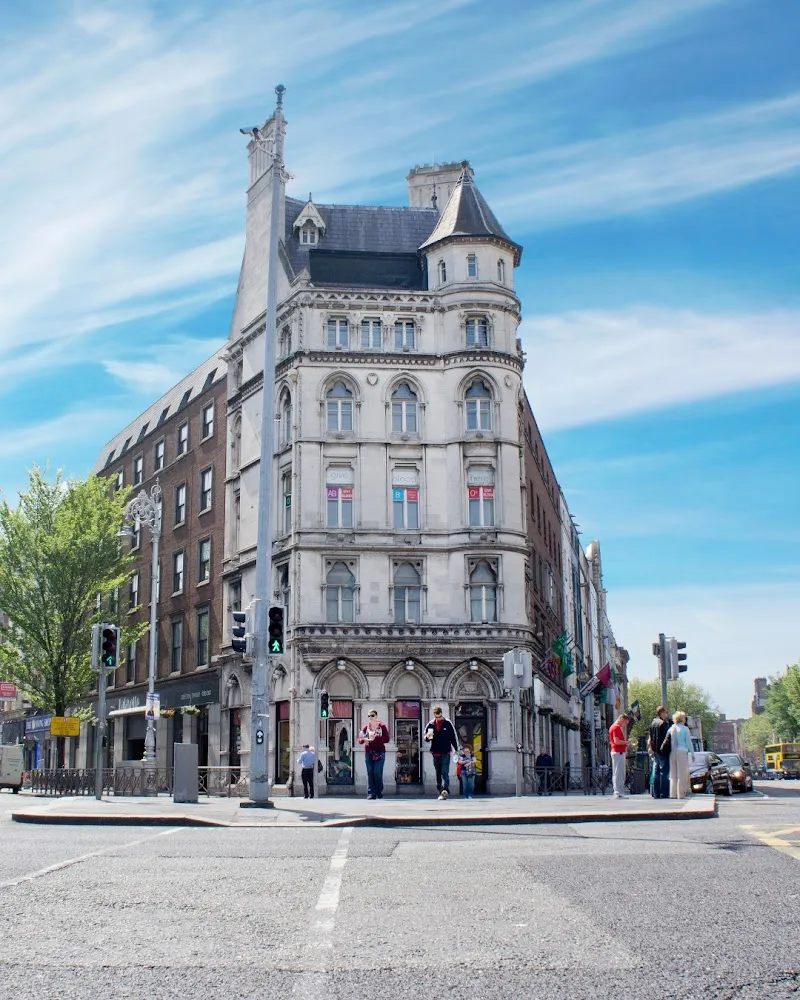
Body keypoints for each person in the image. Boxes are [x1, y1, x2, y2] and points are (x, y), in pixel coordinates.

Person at [424, 705, 459, 800]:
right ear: (434, 715)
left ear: (441, 714)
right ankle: (440, 789)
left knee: (445, 771)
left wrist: (457, 749)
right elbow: (425, 738)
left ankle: (445, 790)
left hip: (446, 751)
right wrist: (427, 736)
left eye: (439, 716)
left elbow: (453, 737)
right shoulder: (431, 724)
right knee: (438, 772)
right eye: (436, 717)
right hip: (435, 751)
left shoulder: (447, 723)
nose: (438, 718)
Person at [358, 709, 389, 800]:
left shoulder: (382, 727)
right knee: (370, 772)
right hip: (369, 752)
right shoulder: (366, 728)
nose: (370, 717)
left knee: (377, 772)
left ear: (376, 716)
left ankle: (379, 790)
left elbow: (387, 739)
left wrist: (376, 738)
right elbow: (360, 739)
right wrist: (364, 740)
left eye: (372, 715)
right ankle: (371, 792)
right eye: (369, 716)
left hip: (380, 752)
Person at [667, 711, 694, 799]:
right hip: (682, 751)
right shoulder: (685, 729)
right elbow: (688, 742)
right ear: (683, 719)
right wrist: (692, 753)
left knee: (673, 774)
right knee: (682, 774)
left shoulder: (671, 728)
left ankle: (672, 793)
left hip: (672, 752)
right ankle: (681, 794)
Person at [647, 706, 671, 799]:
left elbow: (651, 737)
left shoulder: (653, 723)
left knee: (656, 771)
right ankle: (664, 793)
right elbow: (666, 739)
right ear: (661, 712)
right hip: (663, 751)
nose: (667, 714)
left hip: (655, 750)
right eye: (666, 712)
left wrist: (651, 749)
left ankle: (656, 793)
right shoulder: (663, 724)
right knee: (664, 772)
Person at [608, 714, 630, 798]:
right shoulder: (616, 727)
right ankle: (619, 792)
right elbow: (616, 741)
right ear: (621, 719)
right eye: (625, 722)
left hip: (617, 752)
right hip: (618, 752)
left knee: (618, 772)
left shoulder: (613, 727)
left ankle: (618, 791)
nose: (625, 725)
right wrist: (626, 742)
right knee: (619, 773)